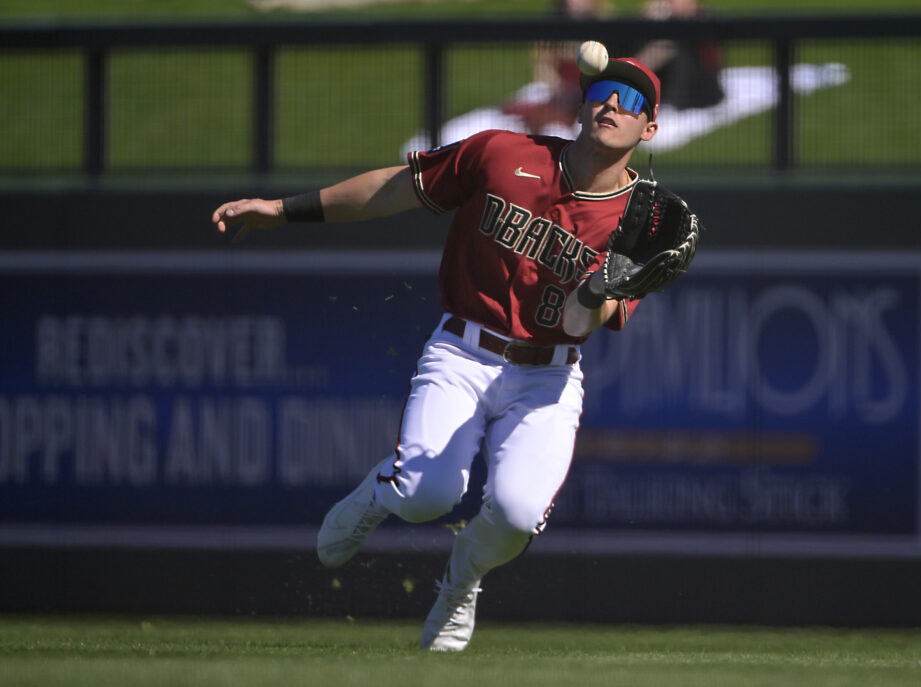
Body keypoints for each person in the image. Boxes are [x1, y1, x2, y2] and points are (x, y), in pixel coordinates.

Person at [212, 57, 661, 652]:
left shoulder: (646, 219)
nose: (612, 106)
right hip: (464, 351)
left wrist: (601, 289)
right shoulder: (504, 154)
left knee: (517, 514)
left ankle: (460, 583)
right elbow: (396, 188)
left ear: (649, 129)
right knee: (426, 495)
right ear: (580, 108)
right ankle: (380, 490)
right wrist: (286, 209)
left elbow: (589, 320)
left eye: (632, 102)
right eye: (603, 93)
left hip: (547, 379)